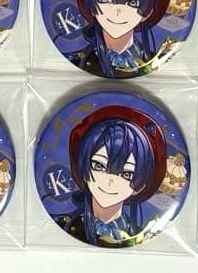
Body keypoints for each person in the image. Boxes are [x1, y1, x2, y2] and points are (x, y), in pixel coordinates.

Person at [53, 106, 166, 247]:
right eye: (99, 166)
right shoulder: (61, 225)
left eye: (126, 174)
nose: (110, 181)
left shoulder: (141, 235)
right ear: (83, 168)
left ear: (140, 186)